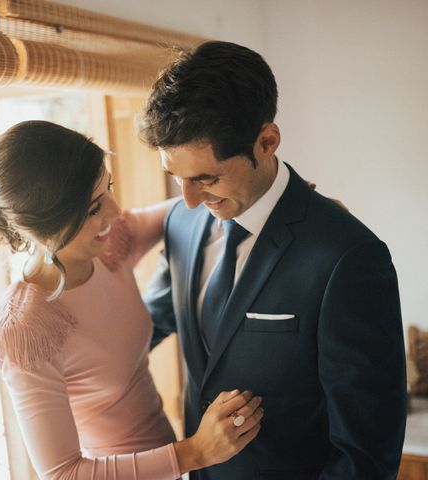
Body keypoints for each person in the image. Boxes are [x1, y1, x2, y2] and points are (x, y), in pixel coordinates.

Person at [139, 41, 407, 479]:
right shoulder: (181, 226)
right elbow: (143, 330)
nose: (187, 200)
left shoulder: (348, 258)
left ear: (267, 141)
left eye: (205, 178)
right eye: (176, 177)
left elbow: (366, 454)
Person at [0, 120, 264, 479]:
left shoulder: (107, 245)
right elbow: (62, 473)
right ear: (42, 226)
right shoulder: (26, 328)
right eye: (92, 209)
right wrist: (194, 453)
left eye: (108, 188)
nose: (115, 211)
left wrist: (267, 205)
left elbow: (184, 211)